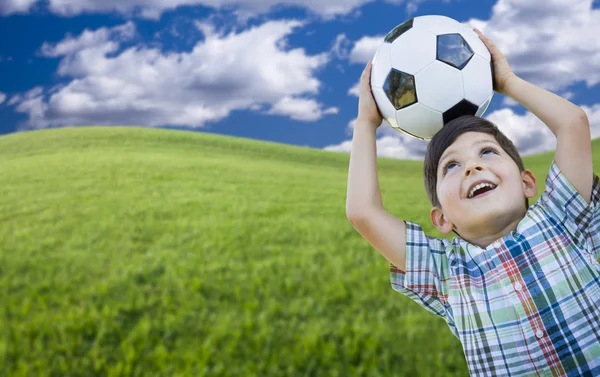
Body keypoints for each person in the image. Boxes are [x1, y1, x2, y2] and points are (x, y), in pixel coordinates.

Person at [346, 28, 600, 376]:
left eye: (487, 152)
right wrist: (366, 123)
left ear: (527, 182)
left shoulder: (560, 217)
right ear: (441, 219)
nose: (473, 166)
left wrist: (508, 81)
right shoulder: (445, 273)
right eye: (452, 165)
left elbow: (573, 124)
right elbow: (363, 212)